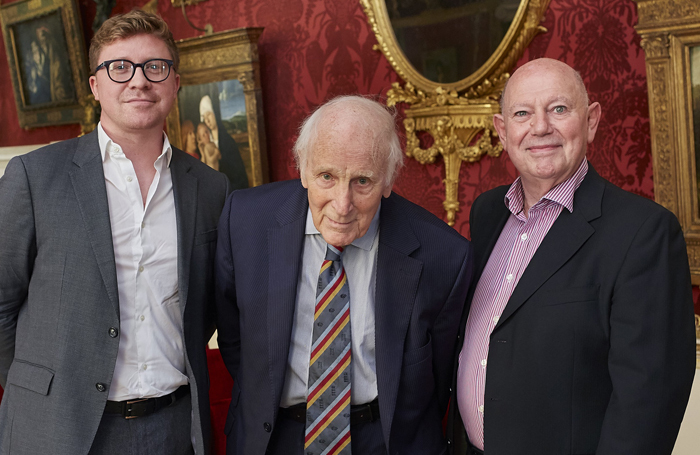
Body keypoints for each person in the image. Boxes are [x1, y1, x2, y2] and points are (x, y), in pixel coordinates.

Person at [0, 9, 229, 455]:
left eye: (155, 68)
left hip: (173, 426)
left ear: (175, 82)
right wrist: (37, 389)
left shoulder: (211, 188)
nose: (139, 81)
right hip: (57, 430)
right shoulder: (34, 176)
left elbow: (209, 309)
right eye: (119, 67)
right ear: (95, 85)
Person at [447, 58, 696, 455]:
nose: (540, 127)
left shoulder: (644, 232)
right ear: (502, 130)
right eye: (522, 113)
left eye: (559, 109)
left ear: (591, 120)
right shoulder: (488, 212)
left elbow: (649, 402)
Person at [215, 95, 473, 455]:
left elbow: (439, 375)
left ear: (388, 180)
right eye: (326, 176)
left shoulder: (444, 255)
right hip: (273, 437)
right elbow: (235, 339)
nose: (342, 204)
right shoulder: (245, 220)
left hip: (384, 441)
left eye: (362, 181)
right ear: (303, 169)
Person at [199, 94, 248, 189]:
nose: (207, 121)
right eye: (205, 118)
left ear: (215, 114)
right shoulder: (208, 142)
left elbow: (239, 175)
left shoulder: (228, 142)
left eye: (209, 115)